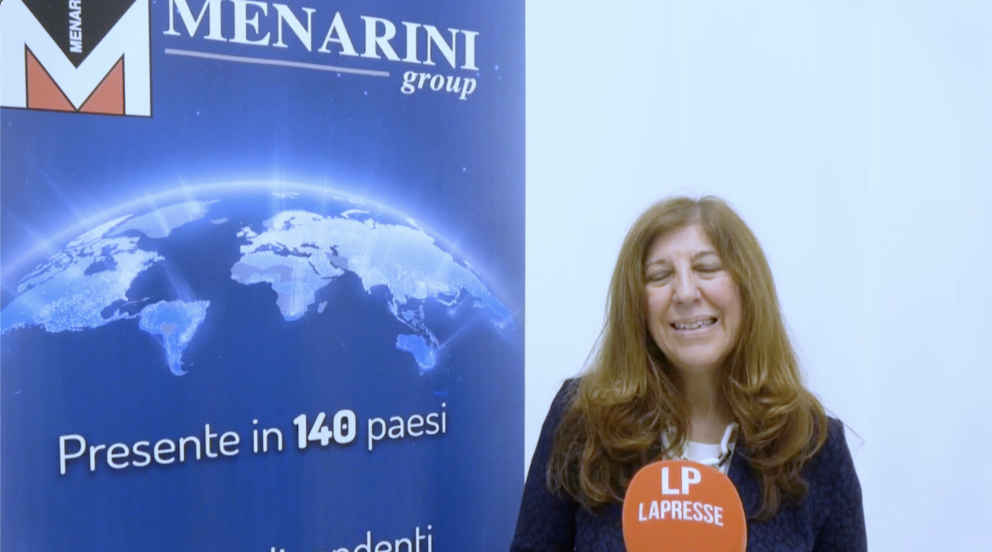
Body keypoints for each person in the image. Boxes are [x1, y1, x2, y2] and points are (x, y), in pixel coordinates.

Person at [510, 196, 866, 551]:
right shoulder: (582, 420)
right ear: (637, 305)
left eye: (707, 268)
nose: (684, 293)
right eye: (660, 275)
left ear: (748, 289)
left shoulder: (812, 444)